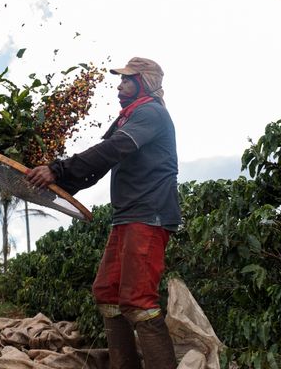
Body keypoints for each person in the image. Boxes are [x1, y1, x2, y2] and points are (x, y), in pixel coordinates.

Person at [27, 57, 180, 369]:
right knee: (107, 292)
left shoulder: (150, 112)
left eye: (127, 80)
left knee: (138, 300)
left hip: (149, 215)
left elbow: (111, 151)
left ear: (144, 83)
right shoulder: (127, 118)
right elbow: (100, 166)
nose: (119, 85)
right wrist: (61, 183)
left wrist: (57, 170)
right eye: (121, 80)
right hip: (127, 216)